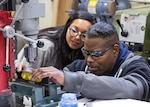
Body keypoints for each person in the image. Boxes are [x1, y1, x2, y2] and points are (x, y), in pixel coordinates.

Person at [31, 21, 150, 101]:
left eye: (96, 54)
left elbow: (134, 90)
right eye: (86, 53)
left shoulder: (137, 66)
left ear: (115, 50)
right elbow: (57, 82)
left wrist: (74, 80)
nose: (89, 59)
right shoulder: (81, 66)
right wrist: (33, 76)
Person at [16, 11, 96, 71]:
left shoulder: (85, 53)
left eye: (84, 35)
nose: (77, 37)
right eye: (74, 30)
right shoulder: (43, 47)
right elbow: (24, 80)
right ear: (67, 27)